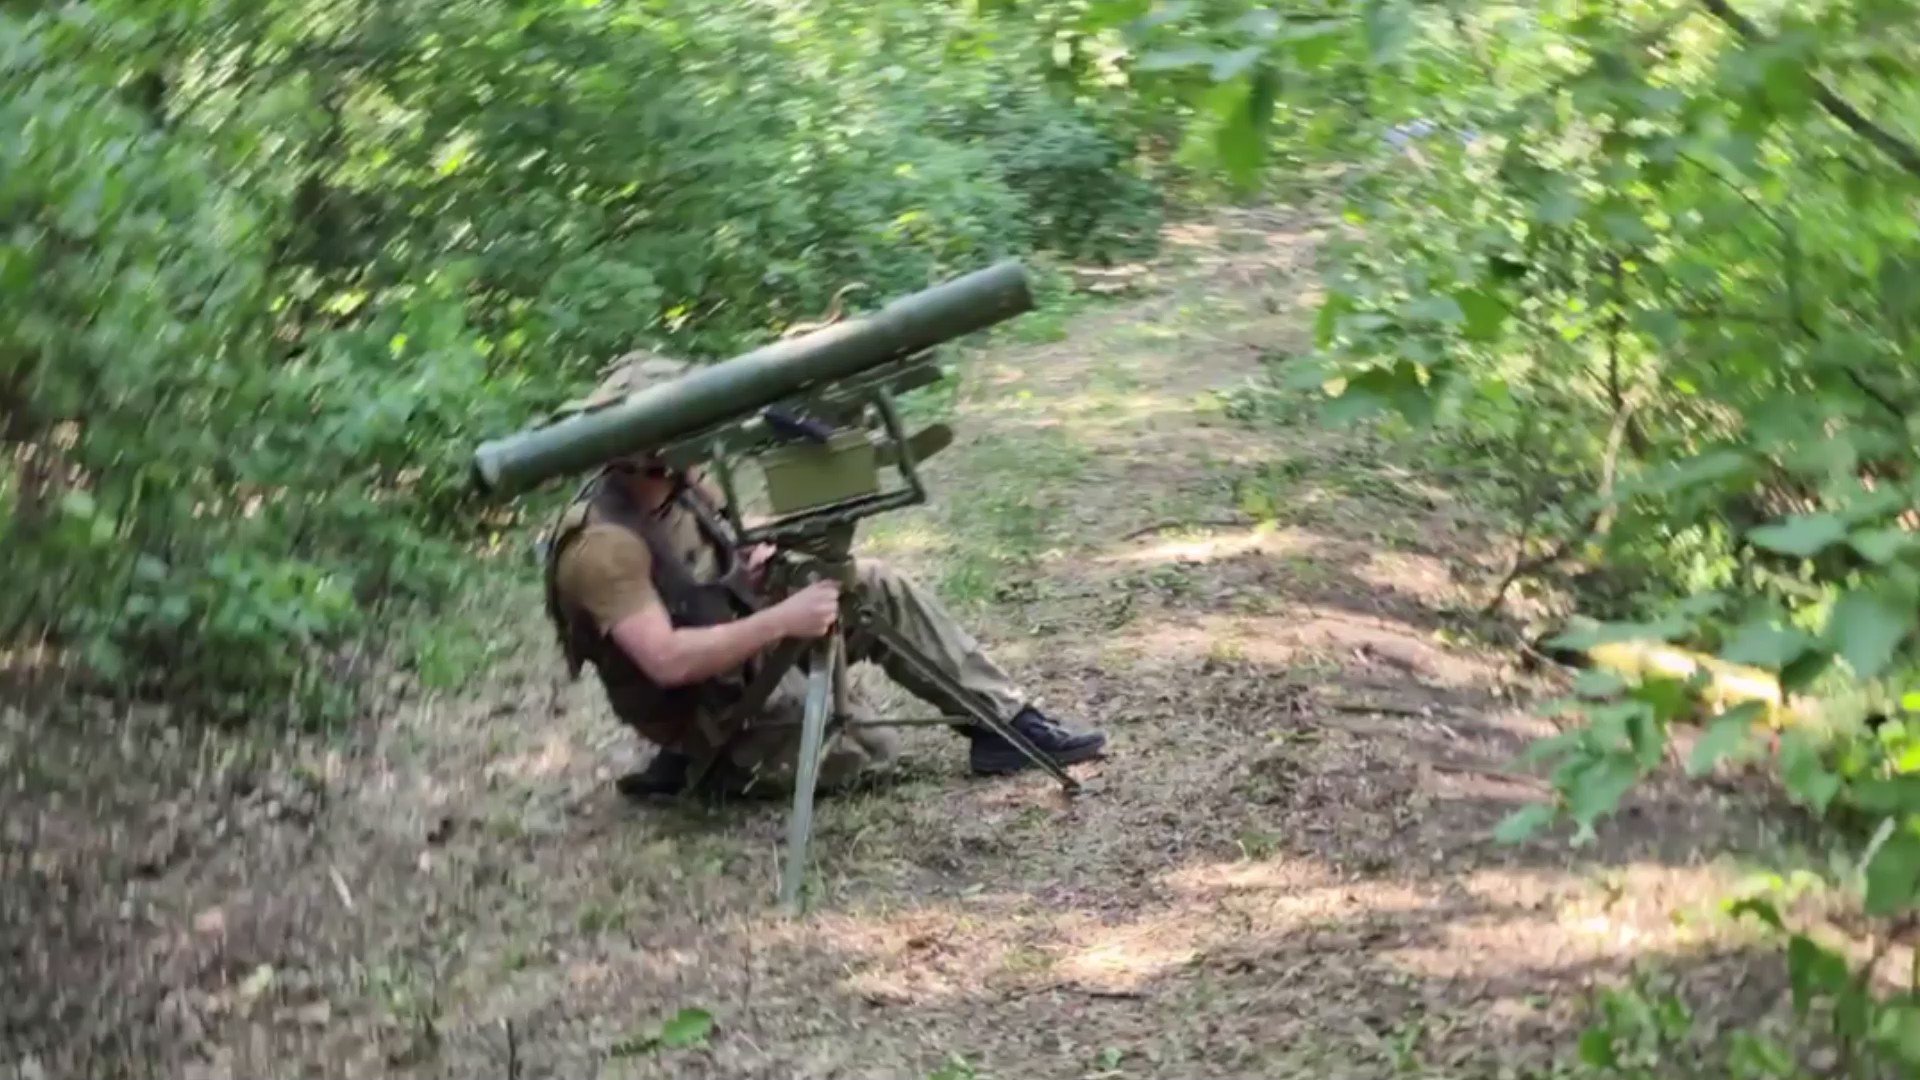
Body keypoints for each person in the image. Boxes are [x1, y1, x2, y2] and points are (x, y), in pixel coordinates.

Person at [541, 350, 1108, 800]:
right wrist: (783, 621)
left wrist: (756, 550)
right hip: (703, 707)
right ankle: (701, 765)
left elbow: (730, 538)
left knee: (872, 585)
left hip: (735, 663)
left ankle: (1007, 726)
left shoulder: (680, 485)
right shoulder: (604, 545)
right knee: (872, 750)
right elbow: (666, 661)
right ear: (647, 447)